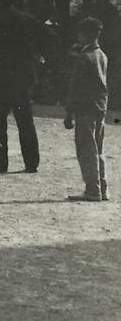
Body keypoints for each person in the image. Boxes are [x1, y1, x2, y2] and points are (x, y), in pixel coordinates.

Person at [0, 0, 55, 174]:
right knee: (25, 121)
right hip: (22, 77)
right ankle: (31, 163)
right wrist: (39, 56)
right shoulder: (26, 19)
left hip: (2, 77)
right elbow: (50, 36)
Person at [64, 17, 109, 201]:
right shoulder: (101, 55)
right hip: (100, 106)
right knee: (97, 147)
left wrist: (69, 112)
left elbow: (75, 87)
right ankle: (102, 187)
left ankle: (92, 189)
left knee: (85, 149)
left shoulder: (83, 58)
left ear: (85, 34)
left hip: (85, 107)